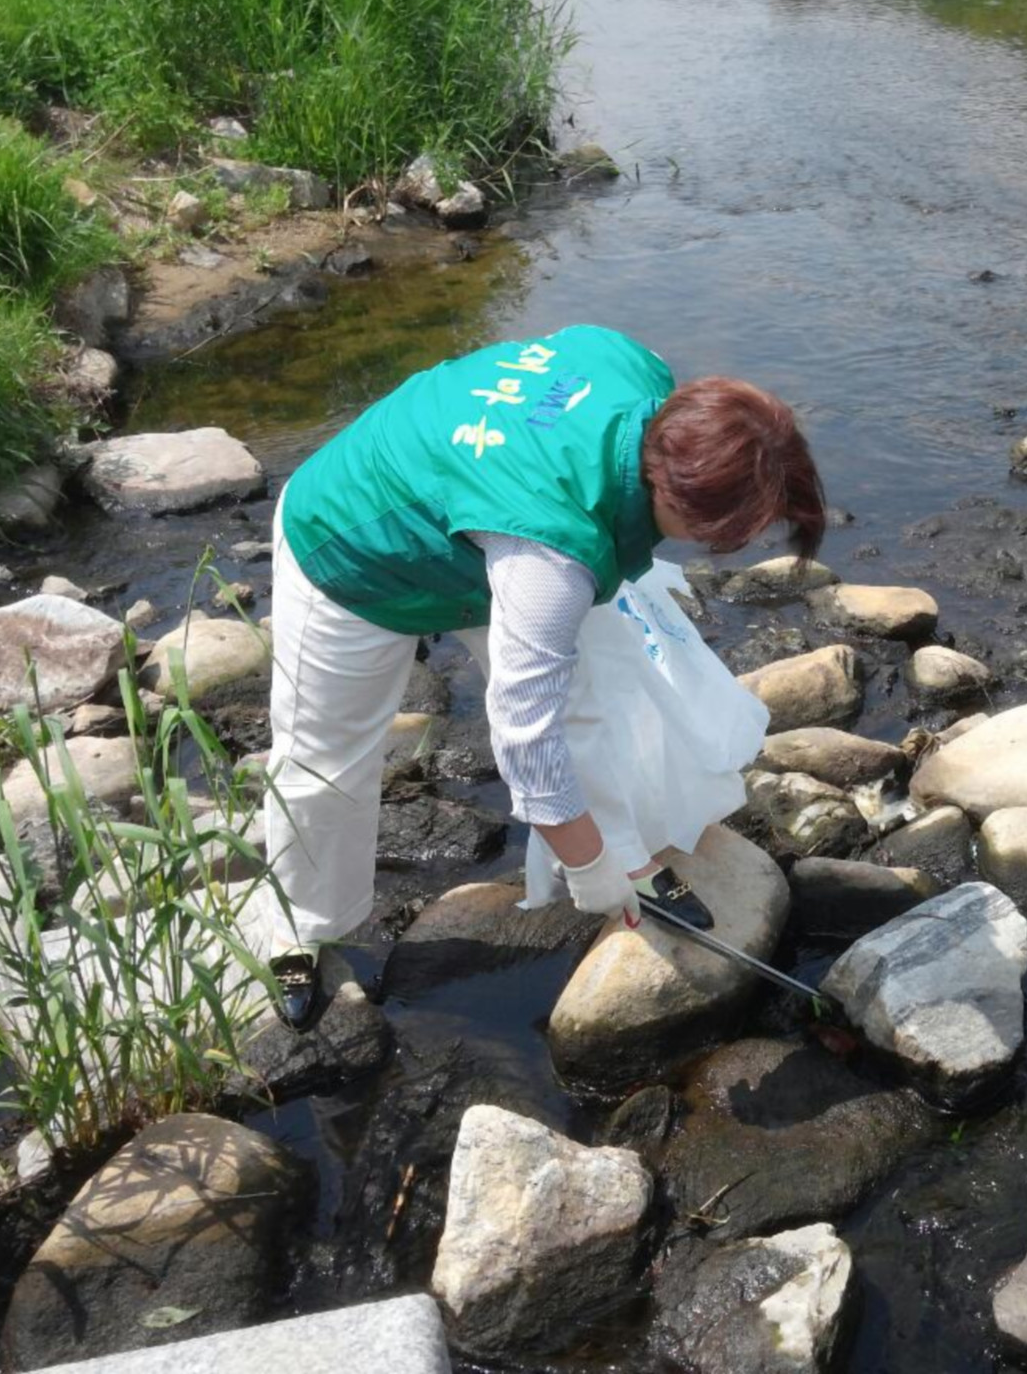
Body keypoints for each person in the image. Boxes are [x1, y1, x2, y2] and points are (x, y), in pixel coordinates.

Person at [261, 324, 824, 1028]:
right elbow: (524, 736)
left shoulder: (636, 368)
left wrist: (603, 856)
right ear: (672, 494)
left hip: (480, 523)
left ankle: (631, 853)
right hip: (353, 545)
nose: (733, 547)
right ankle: (298, 925)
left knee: (596, 693)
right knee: (326, 758)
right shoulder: (552, 561)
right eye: (727, 534)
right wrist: (584, 872)